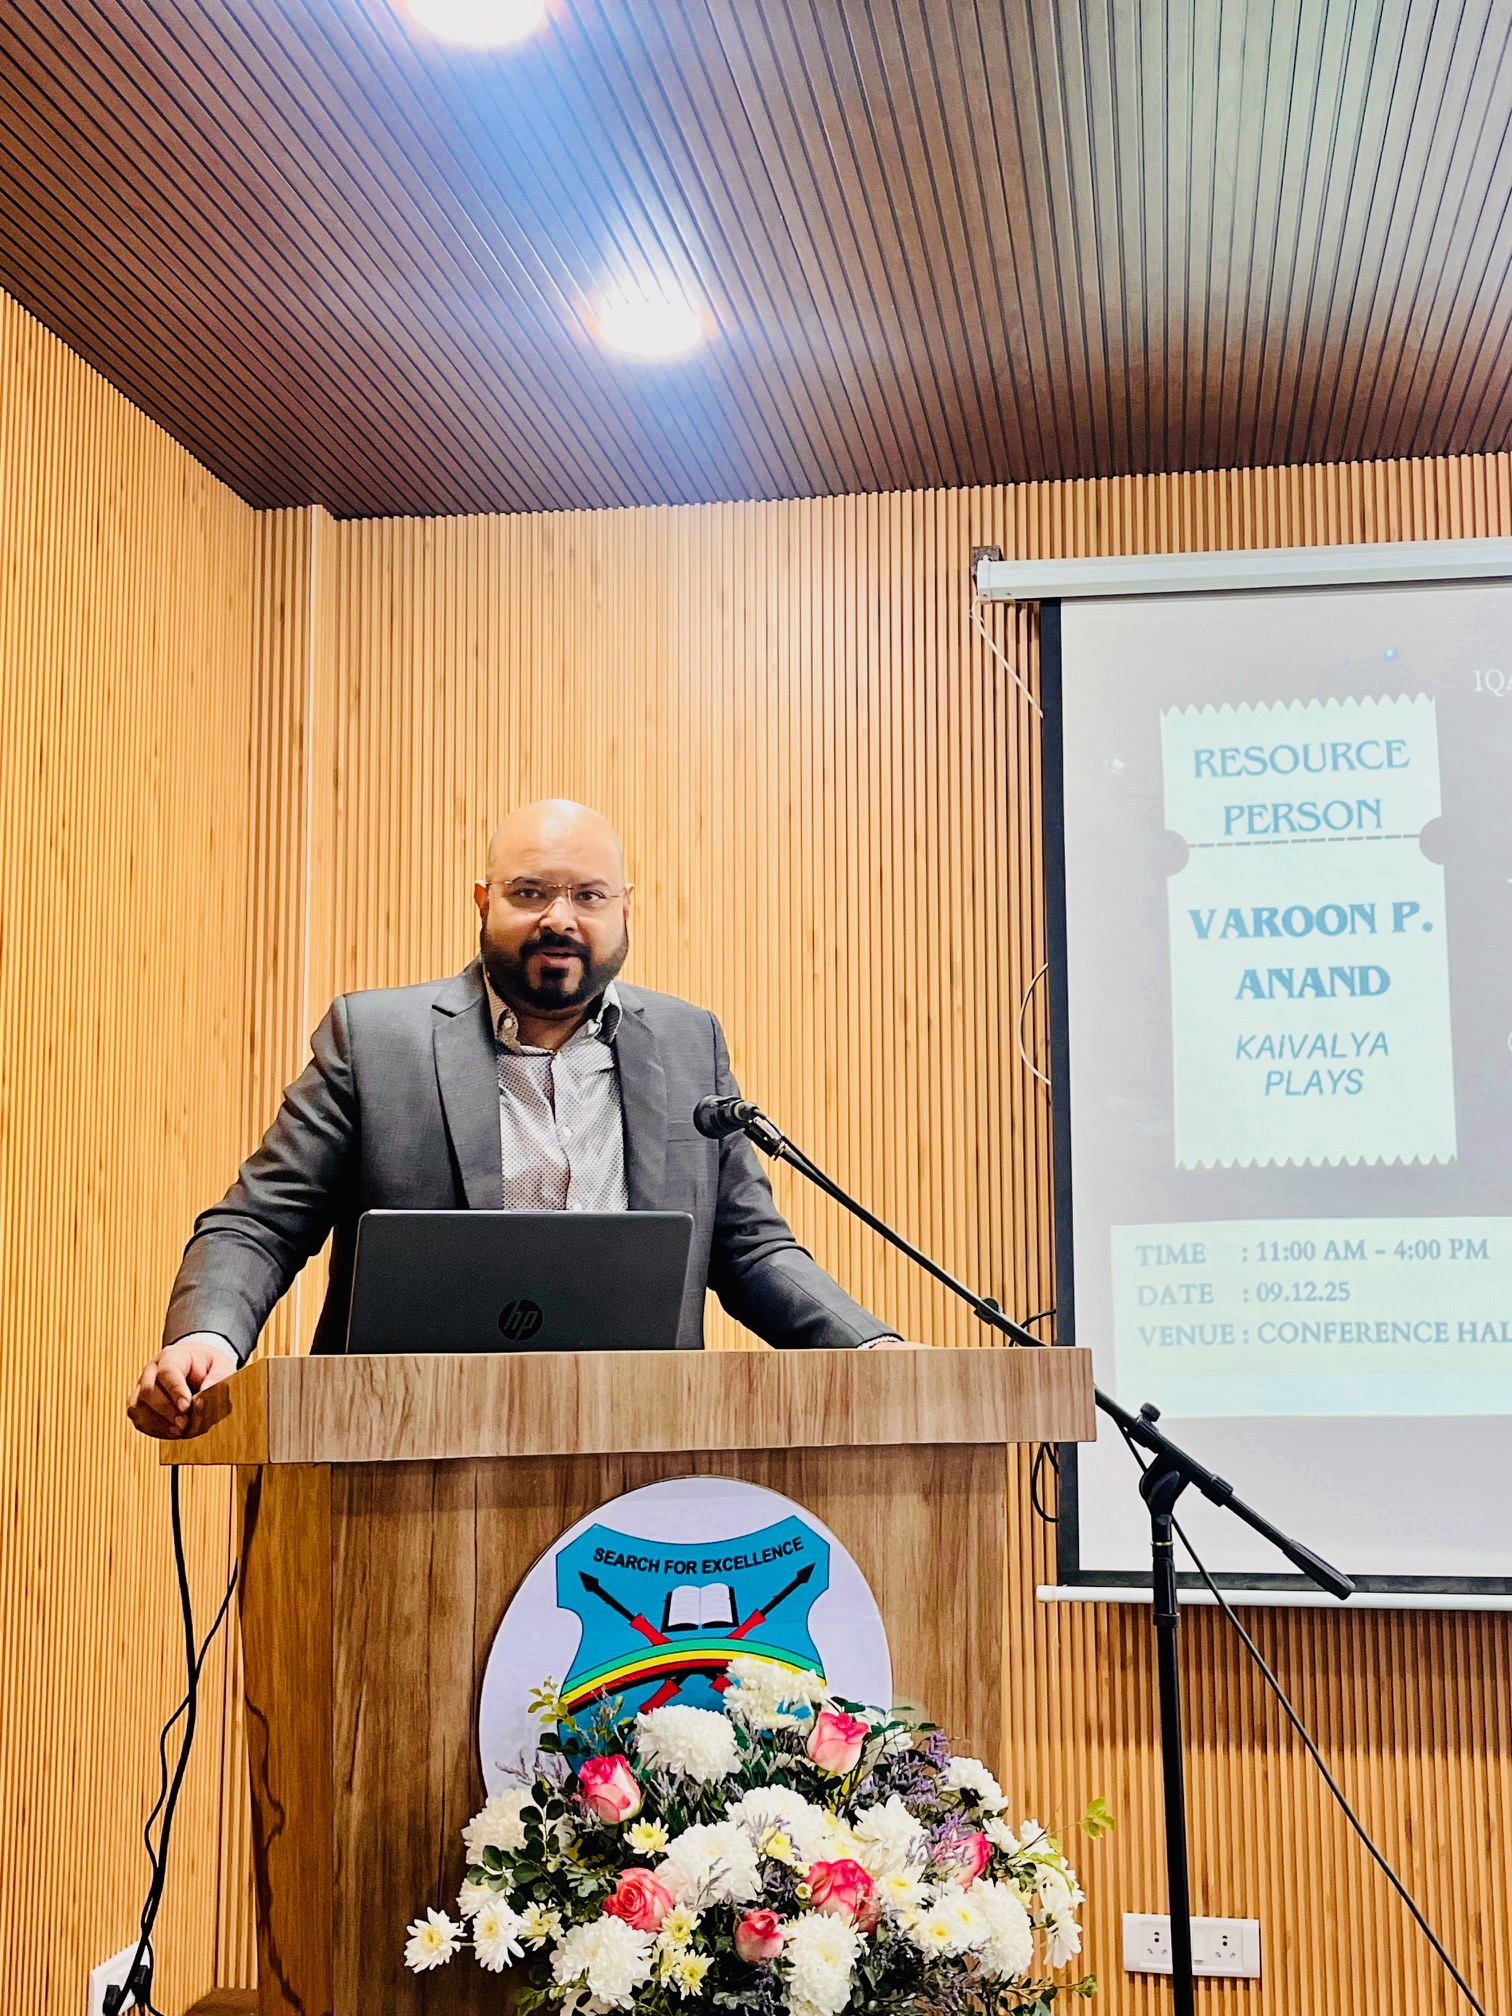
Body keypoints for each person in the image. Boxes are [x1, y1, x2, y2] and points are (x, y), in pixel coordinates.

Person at [129, 800, 917, 1437]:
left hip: (641, 1455)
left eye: (588, 896)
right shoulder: (375, 1042)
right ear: (484, 900)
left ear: (627, 907)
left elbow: (750, 1247)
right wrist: (208, 1335)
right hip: (399, 1451)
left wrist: (870, 1347)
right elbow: (260, 1223)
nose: (559, 919)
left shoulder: (688, 1044)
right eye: (531, 893)